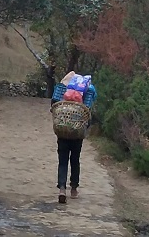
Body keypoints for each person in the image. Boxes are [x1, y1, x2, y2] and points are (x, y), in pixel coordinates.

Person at [51, 73, 96, 203]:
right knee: (75, 159)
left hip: (63, 131)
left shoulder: (62, 89)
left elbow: (53, 107)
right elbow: (88, 112)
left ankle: (62, 188)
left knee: (63, 160)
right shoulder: (88, 90)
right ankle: (74, 188)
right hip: (77, 132)